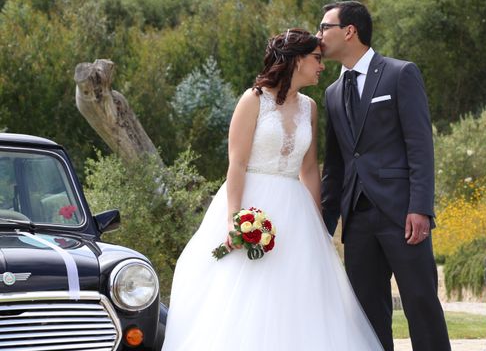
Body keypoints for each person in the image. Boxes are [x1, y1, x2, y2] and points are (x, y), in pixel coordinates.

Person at [162, 28, 383, 351]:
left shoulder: (310, 107)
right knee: (245, 291)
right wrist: (233, 218)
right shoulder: (253, 100)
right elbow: (236, 164)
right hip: (251, 200)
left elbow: (309, 169)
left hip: (296, 212)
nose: (322, 66)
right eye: (317, 59)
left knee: (297, 293)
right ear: (296, 60)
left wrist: (319, 225)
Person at [318, 1, 451, 351]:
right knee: (367, 314)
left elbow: (420, 145)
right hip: (357, 219)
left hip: (403, 214)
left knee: (421, 304)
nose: (319, 36)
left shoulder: (400, 73)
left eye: (324, 27)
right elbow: (335, 166)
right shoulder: (331, 93)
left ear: (350, 31)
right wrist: (323, 224)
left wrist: (420, 207)